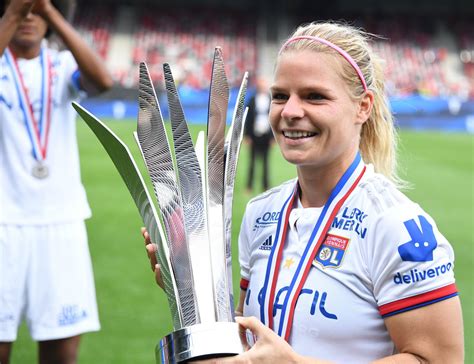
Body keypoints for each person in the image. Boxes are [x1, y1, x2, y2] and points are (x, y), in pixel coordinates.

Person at [144, 21, 464, 363]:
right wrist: (196, 296)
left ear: (363, 106)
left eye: (315, 96)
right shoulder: (260, 213)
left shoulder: (397, 225)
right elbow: (249, 336)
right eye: (281, 96)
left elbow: (439, 359)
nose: (290, 112)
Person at [0, 0, 113, 363]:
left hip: (61, 221)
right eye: (20, 9)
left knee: (61, 351)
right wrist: (12, 14)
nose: (27, 18)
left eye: (37, 10)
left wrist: (51, 13)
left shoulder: (62, 64)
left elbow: (103, 82)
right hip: (4, 223)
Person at [244, 77, 274, 193]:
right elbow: (248, 118)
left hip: (266, 135)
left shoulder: (270, 99)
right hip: (254, 135)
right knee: (252, 162)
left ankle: (265, 186)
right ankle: (249, 186)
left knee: (266, 163)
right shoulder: (252, 99)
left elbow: (273, 119)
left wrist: (272, 137)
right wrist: (247, 135)